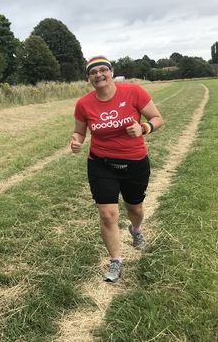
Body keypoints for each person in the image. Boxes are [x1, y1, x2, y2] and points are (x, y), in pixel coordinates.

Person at [70, 56, 163, 282]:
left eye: (103, 70)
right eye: (93, 72)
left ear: (111, 72)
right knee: (108, 214)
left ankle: (137, 230)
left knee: (135, 208)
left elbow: (157, 118)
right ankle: (115, 261)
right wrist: (76, 140)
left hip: (134, 162)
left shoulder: (133, 92)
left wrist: (144, 128)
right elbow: (80, 131)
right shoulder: (84, 104)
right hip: (101, 164)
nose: (99, 75)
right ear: (89, 78)